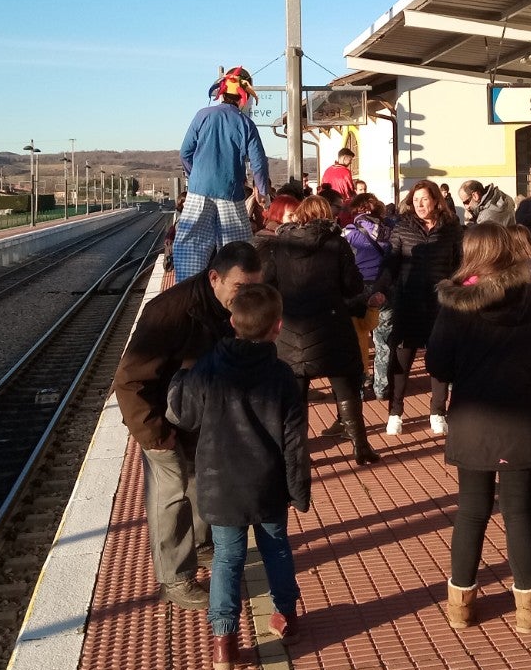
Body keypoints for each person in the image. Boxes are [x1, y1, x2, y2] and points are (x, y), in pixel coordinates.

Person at [111, 240, 264, 609]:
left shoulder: (230, 306)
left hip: (199, 416)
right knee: (171, 494)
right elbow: (129, 380)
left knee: (201, 482)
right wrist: (155, 436)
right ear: (215, 278)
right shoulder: (170, 312)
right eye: (241, 288)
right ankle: (175, 578)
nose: (248, 297)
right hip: (159, 417)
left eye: (254, 288)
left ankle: (201, 544)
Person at [166, 284, 309, 670]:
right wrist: (299, 492)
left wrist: (180, 379)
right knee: (277, 549)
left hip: (221, 483)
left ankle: (224, 642)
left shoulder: (209, 367)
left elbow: (183, 416)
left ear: (232, 322)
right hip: (268, 484)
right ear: (277, 328)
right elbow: (295, 443)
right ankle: (287, 618)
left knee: (228, 559)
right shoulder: (282, 377)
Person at [427, 224, 531, 634]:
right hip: (521, 420)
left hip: (473, 420)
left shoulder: (456, 303)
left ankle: (460, 606)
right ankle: (528, 610)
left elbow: (438, 364)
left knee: (471, 510)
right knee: (519, 512)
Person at [257, 194, 379, 465]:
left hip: (290, 331)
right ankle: (360, 446)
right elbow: (353, 286)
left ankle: (298, 455)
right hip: (332, 328)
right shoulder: (337, 244)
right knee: (346, 387)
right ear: (328, 216)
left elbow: (268, 284)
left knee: (295, 397)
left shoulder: (280, 245)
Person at [377, 180, 463, 436]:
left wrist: (460, 291)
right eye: (416, 200)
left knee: (439, 360)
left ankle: (438, 412)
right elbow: (390, 263)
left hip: (440, 305)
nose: (420, 205)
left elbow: (460, 266)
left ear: (436, 200)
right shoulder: (402, 228)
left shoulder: (452, 230)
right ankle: (395, 412)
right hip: (408, 303)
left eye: (425, 199)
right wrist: (379, 290)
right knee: (401, 359)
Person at [172, 67, 272, 281]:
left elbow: (185, 153)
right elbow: (259, 163)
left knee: (191, 246)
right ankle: (236, 299)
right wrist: (262, 192)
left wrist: (196, 175)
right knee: (236, 251)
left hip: (198, 193)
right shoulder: (246, 123)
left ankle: (189, 295)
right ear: (245, 96)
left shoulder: (202, 115)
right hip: (231, 192)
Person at [344, 192, 392, 398]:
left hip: (359, 287)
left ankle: (362, 386)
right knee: (384, 340)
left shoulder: (349, 233)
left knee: (359, 339)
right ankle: (382, 387)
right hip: (384, 287)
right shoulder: (390, 231)